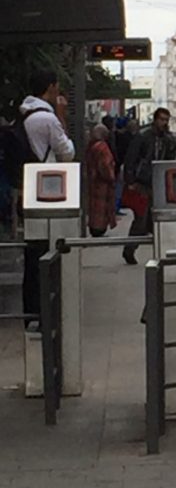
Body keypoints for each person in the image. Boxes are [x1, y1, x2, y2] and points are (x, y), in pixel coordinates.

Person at [20, 69, 75, 319]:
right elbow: (67, 153)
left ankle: (31, 311)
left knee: (32, 251)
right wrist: (61, 116)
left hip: (28, 190)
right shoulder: (47, 118)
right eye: (57, 86)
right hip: (50, 191)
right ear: (50, 88)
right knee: (50, 249)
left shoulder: (23, 114)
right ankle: (47, 310)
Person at [122, 108, 176, 265]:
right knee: (141, 219)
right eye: (161, 119)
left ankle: (162, 252)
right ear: (155, 119)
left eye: (166, 120)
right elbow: (131, 158)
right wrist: (130, 180)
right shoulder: (143, 136)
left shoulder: (167, 139)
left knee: (156, 220)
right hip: (142, 183)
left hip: (158, 182)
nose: (164, 123)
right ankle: (129, 249)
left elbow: (169, 160)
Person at [85, 124, 117, 237]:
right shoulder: (103, 148)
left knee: (94, 206)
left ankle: (94, 227)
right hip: (102, 183)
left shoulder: (90, 147)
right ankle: (99, 228)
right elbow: (106, 165)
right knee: (101, 207)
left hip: (92, 181)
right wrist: (111, 177)